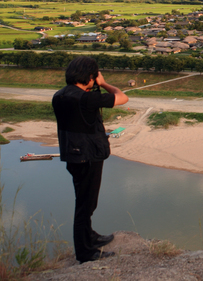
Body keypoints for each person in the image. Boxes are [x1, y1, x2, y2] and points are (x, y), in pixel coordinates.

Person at [52, 56, 129, 263]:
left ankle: (90, 237)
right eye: (94, 76)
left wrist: (93, 86)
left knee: (85, 200)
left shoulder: (59, 95)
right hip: (88, 156)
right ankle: (85, 253)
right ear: (89, 77)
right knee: (86, 205)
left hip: (73, 155)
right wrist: (103, 83)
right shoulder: (87, 99)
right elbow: (122, 97)